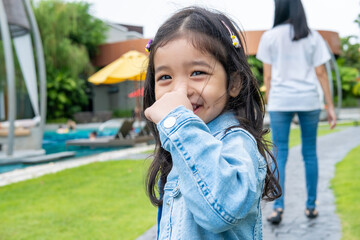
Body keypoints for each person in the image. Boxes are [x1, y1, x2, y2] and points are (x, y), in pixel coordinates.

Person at [143, 7, 281, 239]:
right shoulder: (181, 143)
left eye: (197, 72)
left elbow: (222, 210)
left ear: (234, 83)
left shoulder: (236, 141)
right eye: (165, 77)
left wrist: (179, 126)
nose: (180, 91)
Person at [256, 0, 337, 224]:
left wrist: (271, 103)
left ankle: (277, 208)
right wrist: (330, 106)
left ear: (279, 8)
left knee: (279, 153)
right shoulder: (312, 37)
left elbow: (268, 77)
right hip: (308, 100)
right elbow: (321, 73)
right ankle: (311, 206)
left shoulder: (269, 37)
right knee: (310, 153)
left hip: (281, 100)